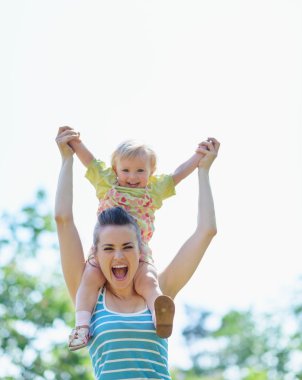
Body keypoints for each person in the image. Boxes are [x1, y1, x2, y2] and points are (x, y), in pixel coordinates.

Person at [55, 127, 219, 379]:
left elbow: (206, 231)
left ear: (140, 249)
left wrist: (203, 170)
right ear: (96, 252)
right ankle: (81, 328)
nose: (119, 256)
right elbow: (63, 219)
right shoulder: (87, 294)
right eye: (108, 248)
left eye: (128, 247)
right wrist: (67, 158)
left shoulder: (158, 289)